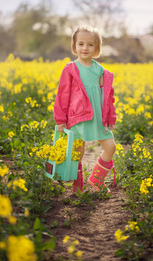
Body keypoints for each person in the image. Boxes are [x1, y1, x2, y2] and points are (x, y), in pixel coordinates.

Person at [54, 26, 116, 193]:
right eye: (81, 44)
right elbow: (62, 95)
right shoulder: (70, 69)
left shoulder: (101, 71)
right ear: (75, 46)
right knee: (77, 154)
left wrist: (111, 117)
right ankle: (77, 188)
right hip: (78, 117)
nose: (85, 48)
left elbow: (108, 98)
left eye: (90, 45)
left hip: (97, 118)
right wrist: (61, 120)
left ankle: (97, 179)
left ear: (97, 48)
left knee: (110, 147)